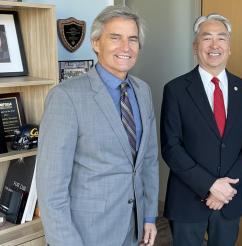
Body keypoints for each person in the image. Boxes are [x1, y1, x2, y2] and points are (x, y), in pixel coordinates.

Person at [36, 6, 159, 246]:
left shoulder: (143, 91)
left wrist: (149, 216)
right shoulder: (66, 97)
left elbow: (149, 161)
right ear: (95, 43)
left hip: (133, 229)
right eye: (115, 37)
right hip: (86, 234)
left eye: (132, 39)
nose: (126, 47)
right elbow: (51, 186)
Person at [160, 13, 242, 246]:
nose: (214, 45)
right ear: (195, 47)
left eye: (221, 38)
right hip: (187, 199)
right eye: (207, 38)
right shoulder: (175, 89)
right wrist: (210, 186)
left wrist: (226, 187)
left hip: (229, 199)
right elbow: (171, 147)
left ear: (229, 47)